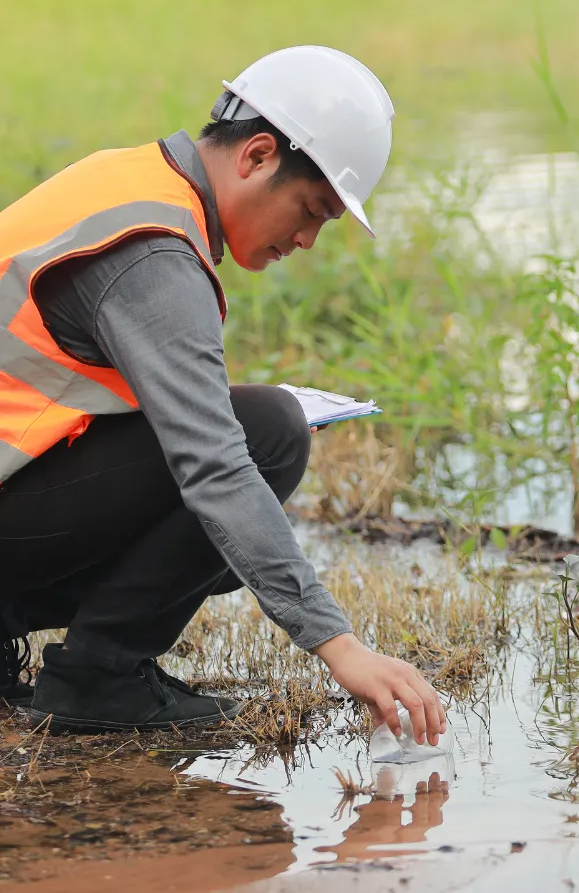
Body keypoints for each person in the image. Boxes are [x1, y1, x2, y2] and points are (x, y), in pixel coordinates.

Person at [0, 46, 446, 743]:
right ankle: (98, 679)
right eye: (312, 210)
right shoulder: (153, 254)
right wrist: (339, 645)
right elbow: (214, 466)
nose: (307, 239)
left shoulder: (129, 182)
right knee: (268, 435)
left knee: (252, 454)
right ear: (258, 156)